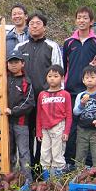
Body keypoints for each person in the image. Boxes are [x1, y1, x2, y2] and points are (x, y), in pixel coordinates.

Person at [14, 11, 62, 170]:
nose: (34, 26)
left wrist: (56, 96)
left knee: (44, 136)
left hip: (45, 100)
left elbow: (58, 72)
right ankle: (26, 169)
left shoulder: (52, 46)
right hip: (24, 101)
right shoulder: (20, 47)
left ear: (45, 27)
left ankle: (41, 168)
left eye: (38, 23)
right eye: (32, 23)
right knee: (25, 135)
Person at [62, 6, 96, 168]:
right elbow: (63, 66)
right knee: (72, 128)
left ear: (91, 21)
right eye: (79, 18)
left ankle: (89, 164)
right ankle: (70, 162)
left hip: (91, 92)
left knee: (89, 127)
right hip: (71, 91)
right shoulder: (68, 43)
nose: (82, 21)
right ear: (76, 20)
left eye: (85, 18)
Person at [36, 65, 72, 177]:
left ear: (62, 78)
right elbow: (39, 114)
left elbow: (69, 115)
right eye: (50, 76)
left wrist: (66, 132)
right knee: (44, 154)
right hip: (45, 128)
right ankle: (47, 182)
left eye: (56, 76)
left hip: (59, 126)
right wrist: (38, 131)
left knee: (57, 155)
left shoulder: (65, 94)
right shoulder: (42, 95)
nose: (52, 78)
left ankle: (58, 181)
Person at [5, 50, 35, 181]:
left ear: (22, 63)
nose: (13, 65)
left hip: (21, 123)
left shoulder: (26, 81)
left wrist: (13, 111)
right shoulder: (3, 79)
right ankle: (9, 179)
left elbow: (29, 103)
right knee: (8, 152)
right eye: (10, 62)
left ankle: (27, 180)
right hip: (5, 122)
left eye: (16, 62)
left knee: (24, 152)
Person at [73, 66, 96, 167]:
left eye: (92, 77)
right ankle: (78, 176)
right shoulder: (80, 95)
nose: (89, 80)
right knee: (80, 156)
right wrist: (81, 104)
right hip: (82, 130)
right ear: (83, 80)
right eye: (87, 78)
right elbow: (75, 112)